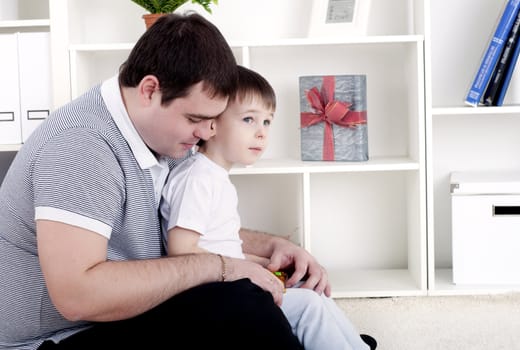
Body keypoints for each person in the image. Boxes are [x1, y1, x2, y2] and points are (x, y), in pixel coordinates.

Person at [0, 13, 332, 350]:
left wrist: (274, 248)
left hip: (123, 315)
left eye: (211, 120)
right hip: (56, 337)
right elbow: (78, 297)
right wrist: (221, 267)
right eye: (195, 119)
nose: (205, 134)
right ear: (149, 90)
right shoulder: (81, 147)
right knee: (242, 305)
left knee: (272, 298)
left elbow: (188, 222)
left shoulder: (166, 137)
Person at [161, 65, 376, 350]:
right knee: (308, 306)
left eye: (267, 122)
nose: (261, 133)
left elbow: (220, 245)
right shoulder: (198, 179)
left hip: (225, 280)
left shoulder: (214, 176)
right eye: (249, 119)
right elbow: (181, 249)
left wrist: (263, 264)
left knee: (312, 290)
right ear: (212, 124)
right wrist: (247, 268)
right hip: (209, 292)